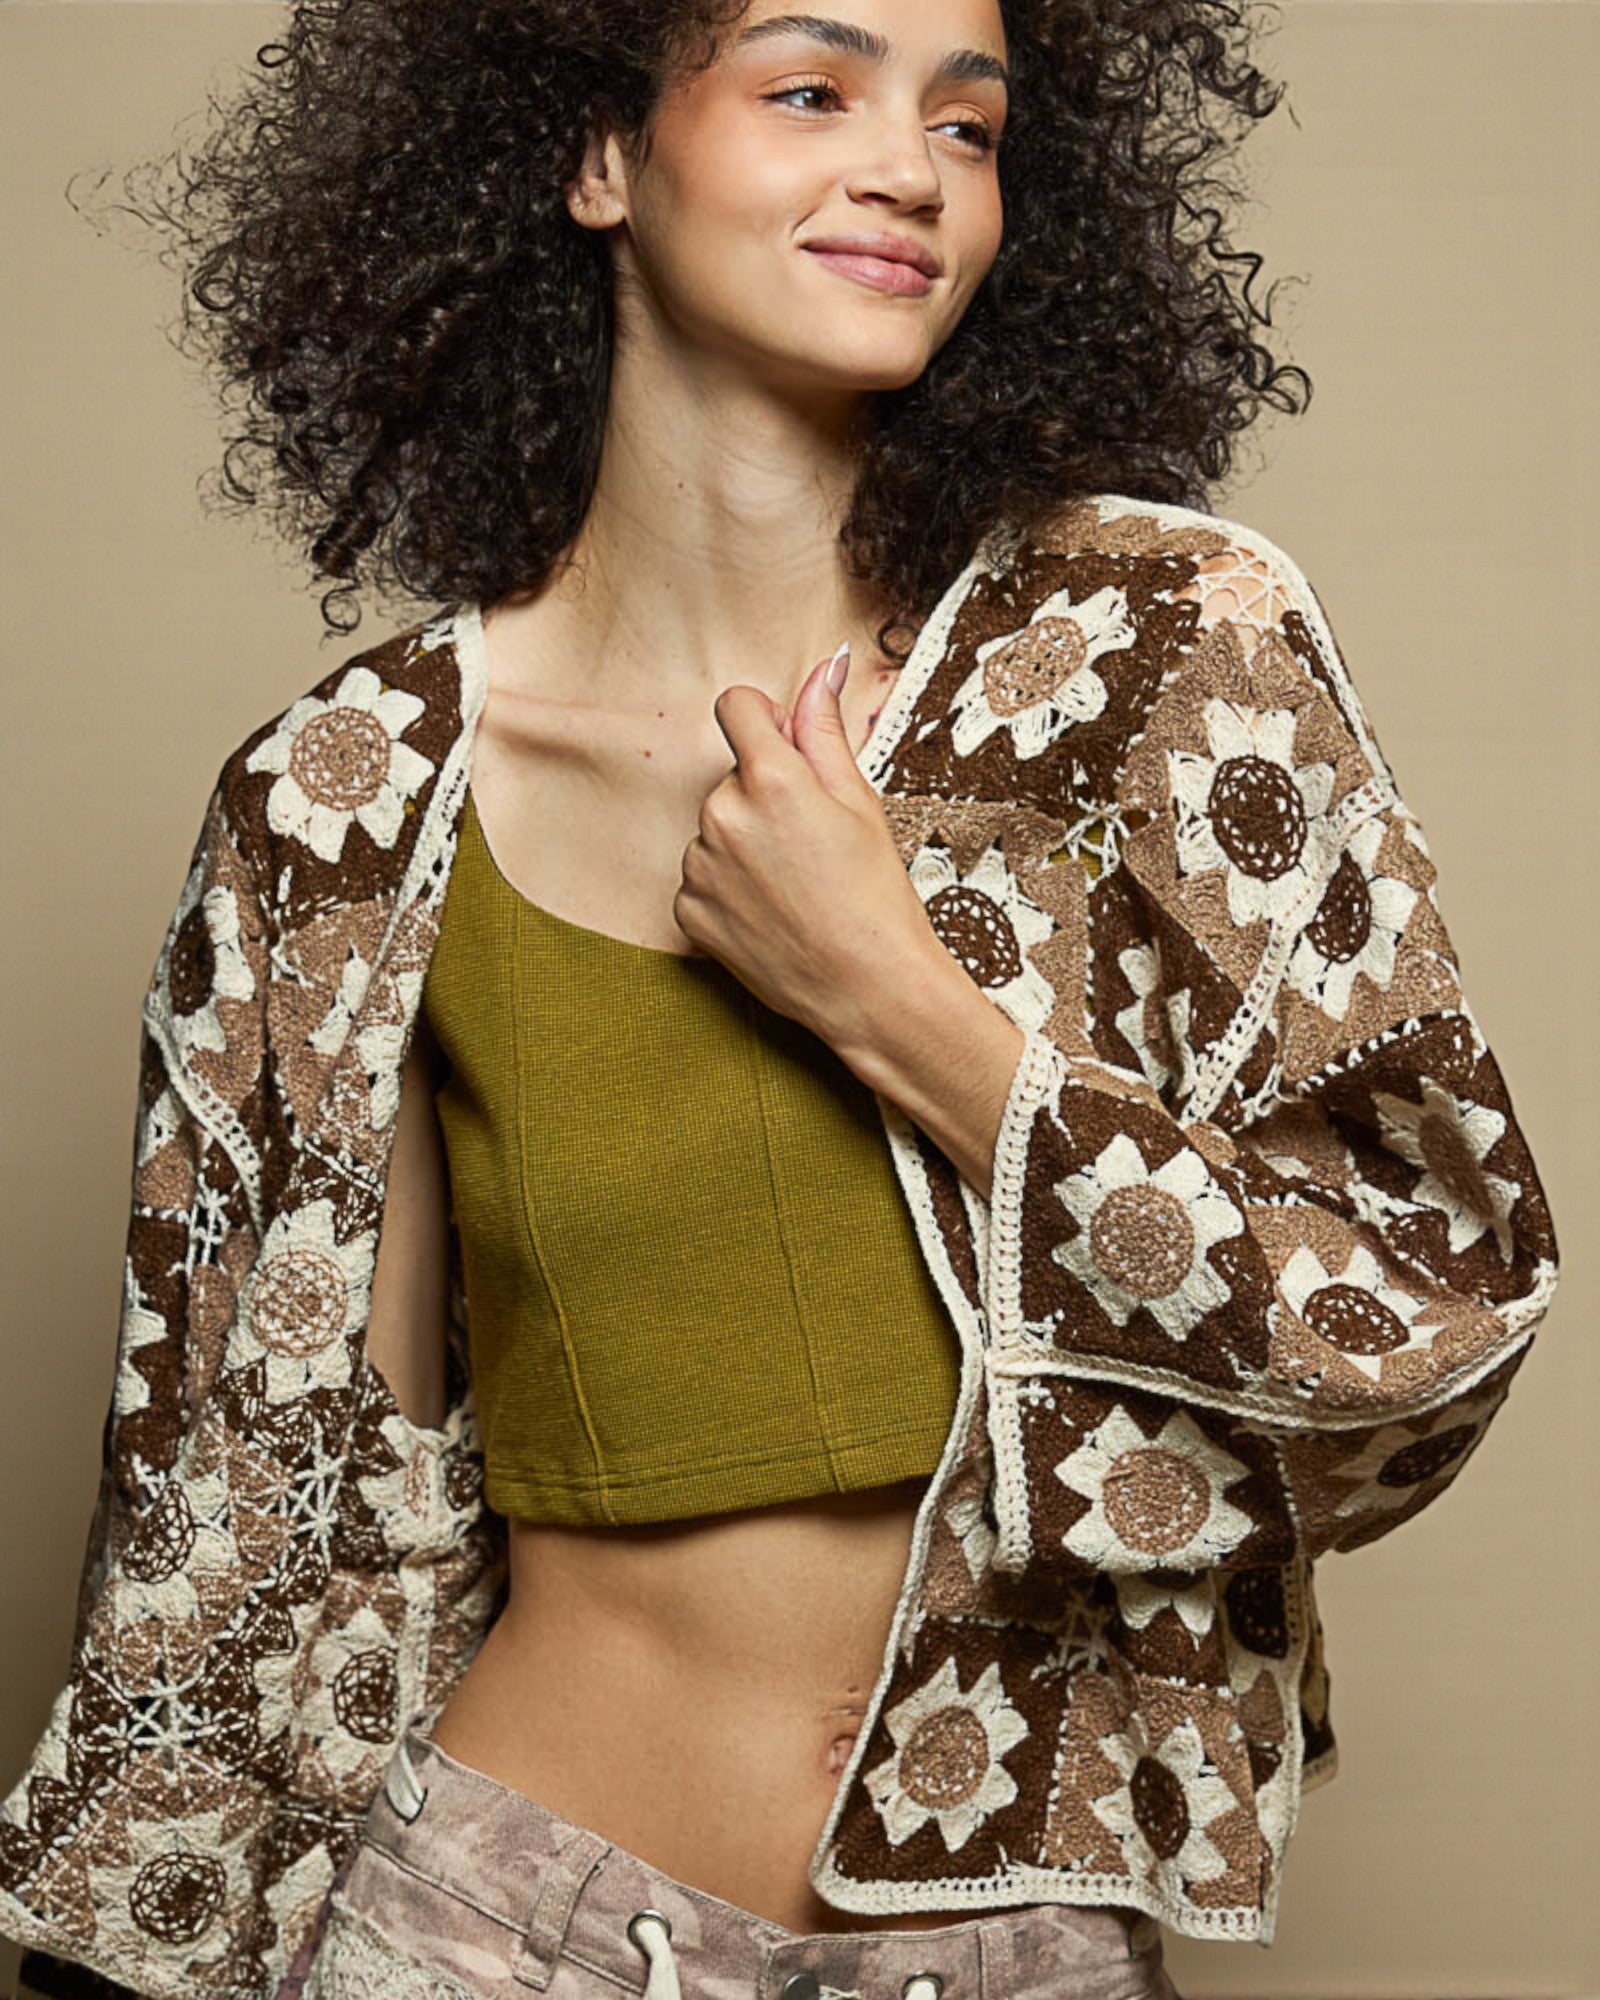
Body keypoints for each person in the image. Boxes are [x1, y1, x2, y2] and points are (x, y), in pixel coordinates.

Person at [3, 2, 1557, 1998]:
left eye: (968, 123)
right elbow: (261, 1493)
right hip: (485, 1920)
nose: (908, 168)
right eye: (809, 89)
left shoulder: (1161, 662)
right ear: (594, 160)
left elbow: (1427, 1317)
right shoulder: (356, 796)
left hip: (1012, 1937)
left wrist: (902, 1003)